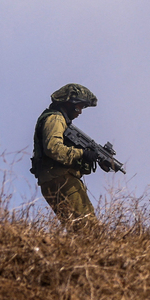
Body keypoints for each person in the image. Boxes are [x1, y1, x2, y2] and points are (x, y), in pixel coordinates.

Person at [31, 83, 103, 234]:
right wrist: (82, 154)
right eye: (80, 107)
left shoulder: (58, 119)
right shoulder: (55, 118)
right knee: (89, 229)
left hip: (55, 178)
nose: (80, 112)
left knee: (77, 230)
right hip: (60, 178)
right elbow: (53, 148)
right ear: (70, 103)